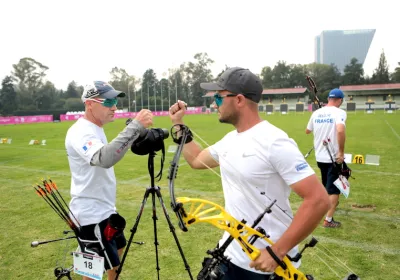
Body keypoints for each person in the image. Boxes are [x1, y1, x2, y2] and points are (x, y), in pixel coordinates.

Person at [168, 67, 330, 279]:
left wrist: (276, 252)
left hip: (267, 264)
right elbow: (197, 160)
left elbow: (318, 200)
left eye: (218, 97)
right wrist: (178, 124)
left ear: (239, 100)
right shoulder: (230, 140)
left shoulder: (274, 141)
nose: (214, 103)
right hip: (230, 254)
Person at [65, 81, 153, 279]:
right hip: (89, 215)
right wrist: (136, 127)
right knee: (92, 272)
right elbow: (104, 158)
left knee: (117, 252)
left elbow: (112, 152)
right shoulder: (81, 131)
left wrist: (135, 133)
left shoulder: (96, 127)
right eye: (108, 101)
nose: (114, 106)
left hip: (104, 209)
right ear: (89, 104)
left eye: (115, 101)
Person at [305, 88, 347, 228]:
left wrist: (320, 121)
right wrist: (341, 152)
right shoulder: (340, 112)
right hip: (333, 158)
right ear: (340, 100)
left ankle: (326, 209)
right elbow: (340, 130)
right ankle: (328, 220)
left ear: (329, 99)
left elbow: (307, 131)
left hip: (320, 157)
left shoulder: (316, 113)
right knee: (334, 189)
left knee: (327, 187)